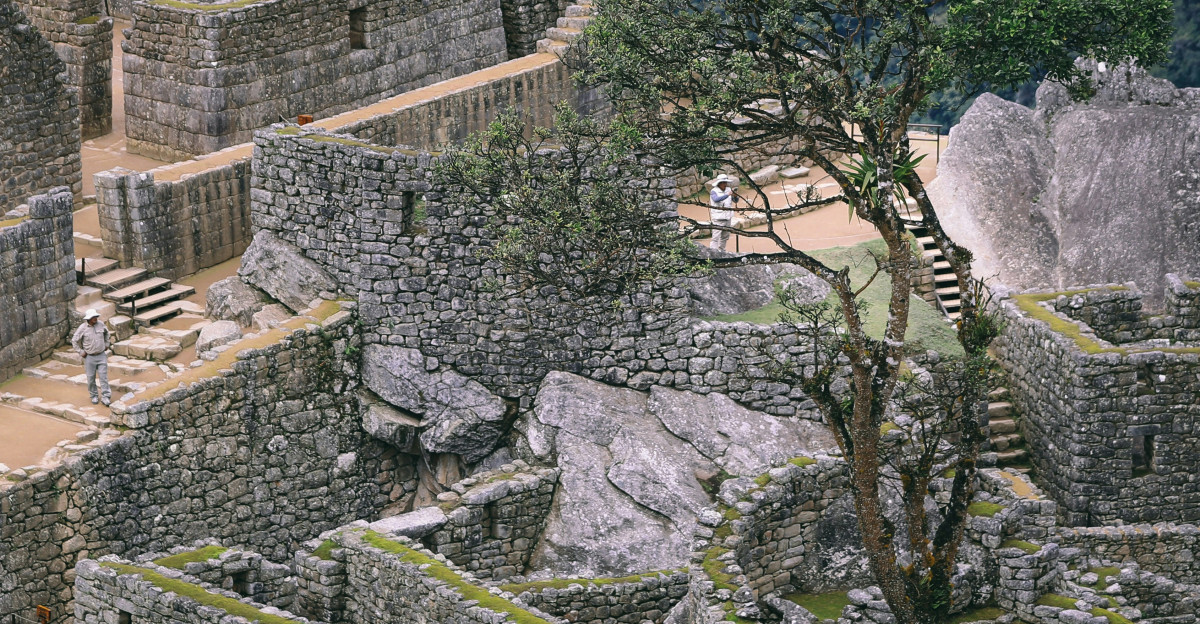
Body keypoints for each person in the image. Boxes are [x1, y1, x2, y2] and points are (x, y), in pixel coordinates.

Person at [72, 309, 111, 406]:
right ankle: (94, 395)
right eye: (93, 317)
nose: (96, 318)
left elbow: (107, 334)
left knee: (103, 377)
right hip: (89, 357)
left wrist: (107, 344)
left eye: (96, 317)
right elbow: (74, 340)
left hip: (101, 355)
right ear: (88, 318)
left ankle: (106, 396)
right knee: (90, 378)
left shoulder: (101, 324)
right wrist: (81, 352)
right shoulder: (82, 328)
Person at [708, 174, 739, 251]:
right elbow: (716, 199)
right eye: (724, 182)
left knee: (725, 236)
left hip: (728, 217)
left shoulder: (728, 189)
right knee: (715, 237)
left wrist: (735, 196)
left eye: (726, 182)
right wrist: (727, 195)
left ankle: (722, 251)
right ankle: (713, 253)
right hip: (718, 218)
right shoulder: (713, 191)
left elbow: (735, 201)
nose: (725, 184)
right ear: (719, 183)